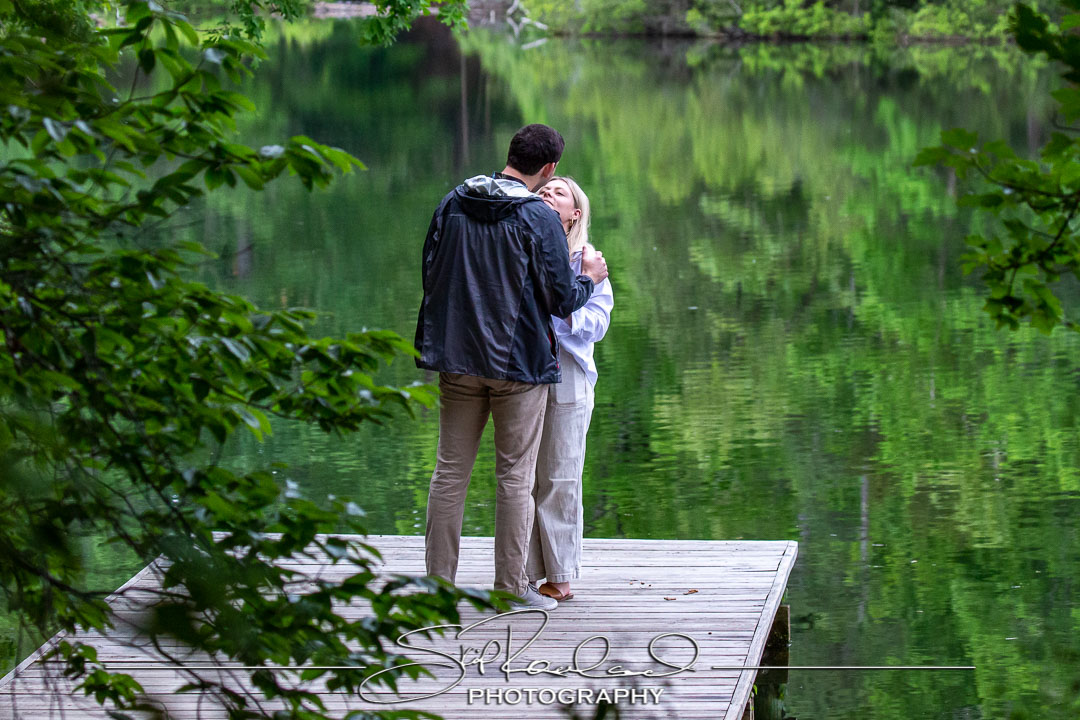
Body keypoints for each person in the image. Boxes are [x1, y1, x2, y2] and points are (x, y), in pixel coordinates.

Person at [414, 124, 609, 611]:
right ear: (548, 170)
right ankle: (509, 589)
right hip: (516, 365)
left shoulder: (454, 201)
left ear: (509, 155)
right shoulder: (536, 216)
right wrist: (588, 278)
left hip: (457, 359)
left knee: (449, 472)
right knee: (515, 478)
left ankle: (438, 585)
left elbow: (431, 271)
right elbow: (562, 298)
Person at [526, 177, 613, 602]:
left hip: (567, 373)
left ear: (574, 214)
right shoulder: (524, 249)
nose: (547, 194)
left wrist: (566, 309)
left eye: (558, 193)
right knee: (520, 478)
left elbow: (598, 321)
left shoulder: (587, 260)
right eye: (543, 190)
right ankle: (522, 574)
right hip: (522, 373)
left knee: (560, 475)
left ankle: (559, 575)